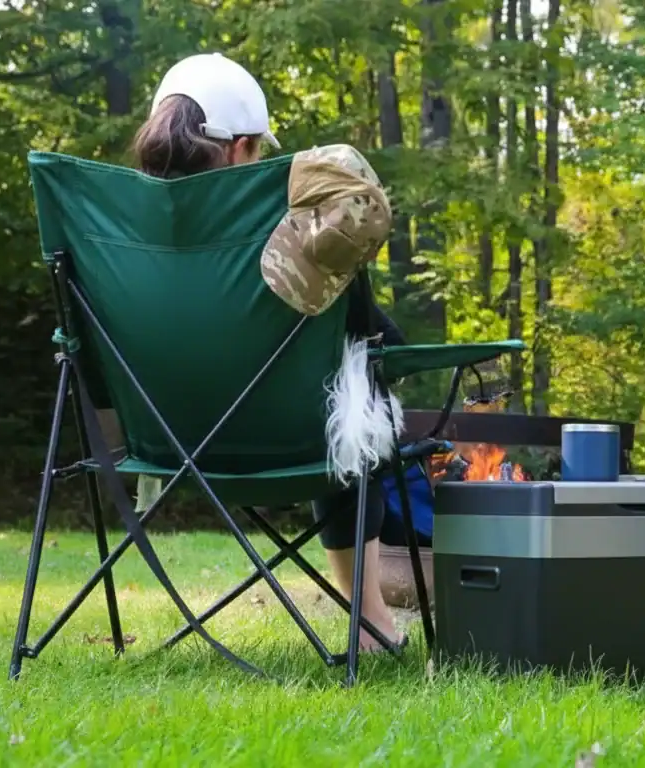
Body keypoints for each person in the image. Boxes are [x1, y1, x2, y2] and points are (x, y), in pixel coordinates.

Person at [131, 52, 407, 652]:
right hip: (295, 444)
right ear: (240, 148)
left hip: (160, 445)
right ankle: (372, 624)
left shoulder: (118, 227)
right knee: (360, 378)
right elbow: (372, 338)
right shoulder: (296, 226)